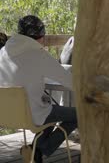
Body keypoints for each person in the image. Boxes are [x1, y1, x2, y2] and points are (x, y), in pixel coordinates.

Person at [0, 15, 77, 163]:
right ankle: (40, 151)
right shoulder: (38, 54)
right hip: (33, 115)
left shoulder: (3, 52)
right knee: (78, 115)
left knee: (47, 108)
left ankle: (35, 152)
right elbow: (70, 82)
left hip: (6, 114)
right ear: (40, 36)